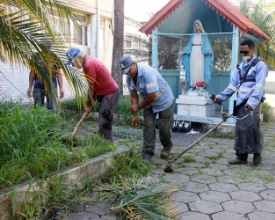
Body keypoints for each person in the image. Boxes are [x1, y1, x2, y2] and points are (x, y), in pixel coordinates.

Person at [212, 39, 268, 166]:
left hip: (252, 103)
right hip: (241, 102)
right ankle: (241, 156)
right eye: (241, 52)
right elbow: (233, 86)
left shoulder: (260, 66)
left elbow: (259, 87)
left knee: (253, 128)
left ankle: (257, 154)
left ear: (253, 50)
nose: (243, 54)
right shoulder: (240, 66)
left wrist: (252, 103)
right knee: (240, 129)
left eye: (245, 52)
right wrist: (220, 97)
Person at [119, 55, 174, 160]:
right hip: (148, 102)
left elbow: (152, 95)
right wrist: (135, 114)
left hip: (164, 100)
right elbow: (134, 96)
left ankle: (167, 146)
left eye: (129, 70)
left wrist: (139, 107)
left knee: (164, 129)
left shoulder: (147, 72)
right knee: (148, 126)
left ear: (134, 64)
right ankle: (148, 152)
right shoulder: (129, 79)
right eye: (125, 72)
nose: (128, 73)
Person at [66, 48, 120, 142]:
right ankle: (104, 140)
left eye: (72, 61)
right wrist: (90, 102)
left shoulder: (89, 64)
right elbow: (93, 86)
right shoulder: (87, 62)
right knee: (103, 118)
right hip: (104, 93)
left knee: (105, 119)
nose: (72, 65)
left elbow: (91, 87)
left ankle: (106, 144)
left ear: (79, 57)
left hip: (110, 93)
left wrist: (88, 104)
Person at [27, 42, 64, 110]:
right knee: (38, 108)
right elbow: (32, 72)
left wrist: (61, 88)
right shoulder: (35, 56)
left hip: (52, 84)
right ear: (41, 46)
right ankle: (38, 120)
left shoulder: (55, 57)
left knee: (52, 108)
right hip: (38, 84)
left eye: (48, 46)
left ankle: (51, 120)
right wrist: (30, 87)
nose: (46, 48)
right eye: (44, 46)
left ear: (50, 46)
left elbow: (58, 73)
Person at [180, 20, 213, 89]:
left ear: (200, 26)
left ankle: (200, 84)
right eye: (195, 25)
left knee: (200, 68)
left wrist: (208, 50)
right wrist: (184, 51)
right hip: (193, 52)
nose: (196, 27)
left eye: (197, 25)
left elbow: (207, 44)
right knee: (193, 67)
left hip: (200, 52)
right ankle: (193, 85)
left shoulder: (204, 35)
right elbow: (189, 45)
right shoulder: (193, 34)